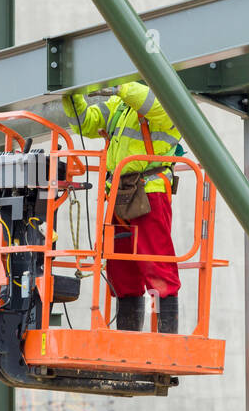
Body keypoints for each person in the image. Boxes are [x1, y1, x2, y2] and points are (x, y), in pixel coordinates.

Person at [63, 81, 183, 333]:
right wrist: (72, 94)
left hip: (149, 193)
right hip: (119, 194)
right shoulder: (120, 106)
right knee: (121, 268)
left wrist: (119, 86)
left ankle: (166, 337)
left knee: (156, 263)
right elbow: (86, 122)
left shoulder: (171, 99)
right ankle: (128, 334)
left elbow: (152, 104)